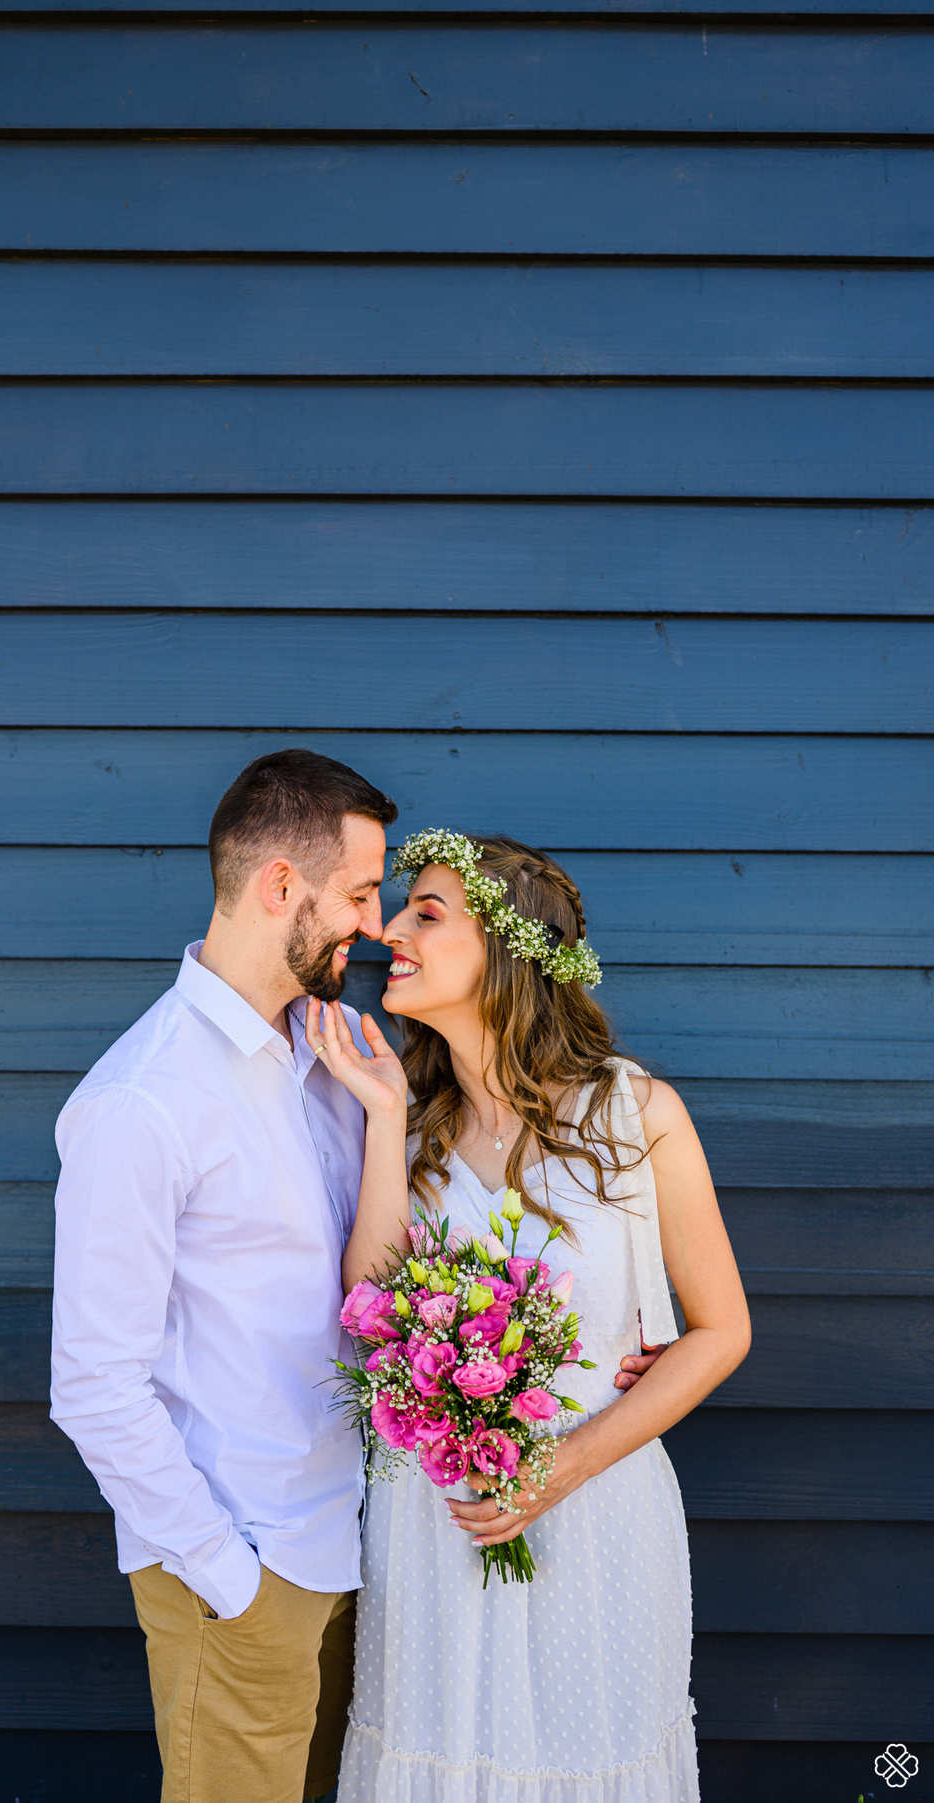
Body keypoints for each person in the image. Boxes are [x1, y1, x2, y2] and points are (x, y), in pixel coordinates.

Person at [306, 829, 752, 1803]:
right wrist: (383, 1117)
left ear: (510, 950)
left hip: (596, 1511)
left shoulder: (636, 1117)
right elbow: (371, 1310)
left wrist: (556, 1471)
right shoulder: (412, 1127)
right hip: (436, 1522)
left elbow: (722, 1330)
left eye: (425, 913)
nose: (388, 931)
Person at [49, 747, 398, 1803]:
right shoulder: (141, 1102)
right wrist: (231, 1578)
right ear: (279, 887)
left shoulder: (331, 1059)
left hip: (341, 1549)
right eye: (362, 893)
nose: (376, 927)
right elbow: (93, 1386)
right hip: (242, 1572)